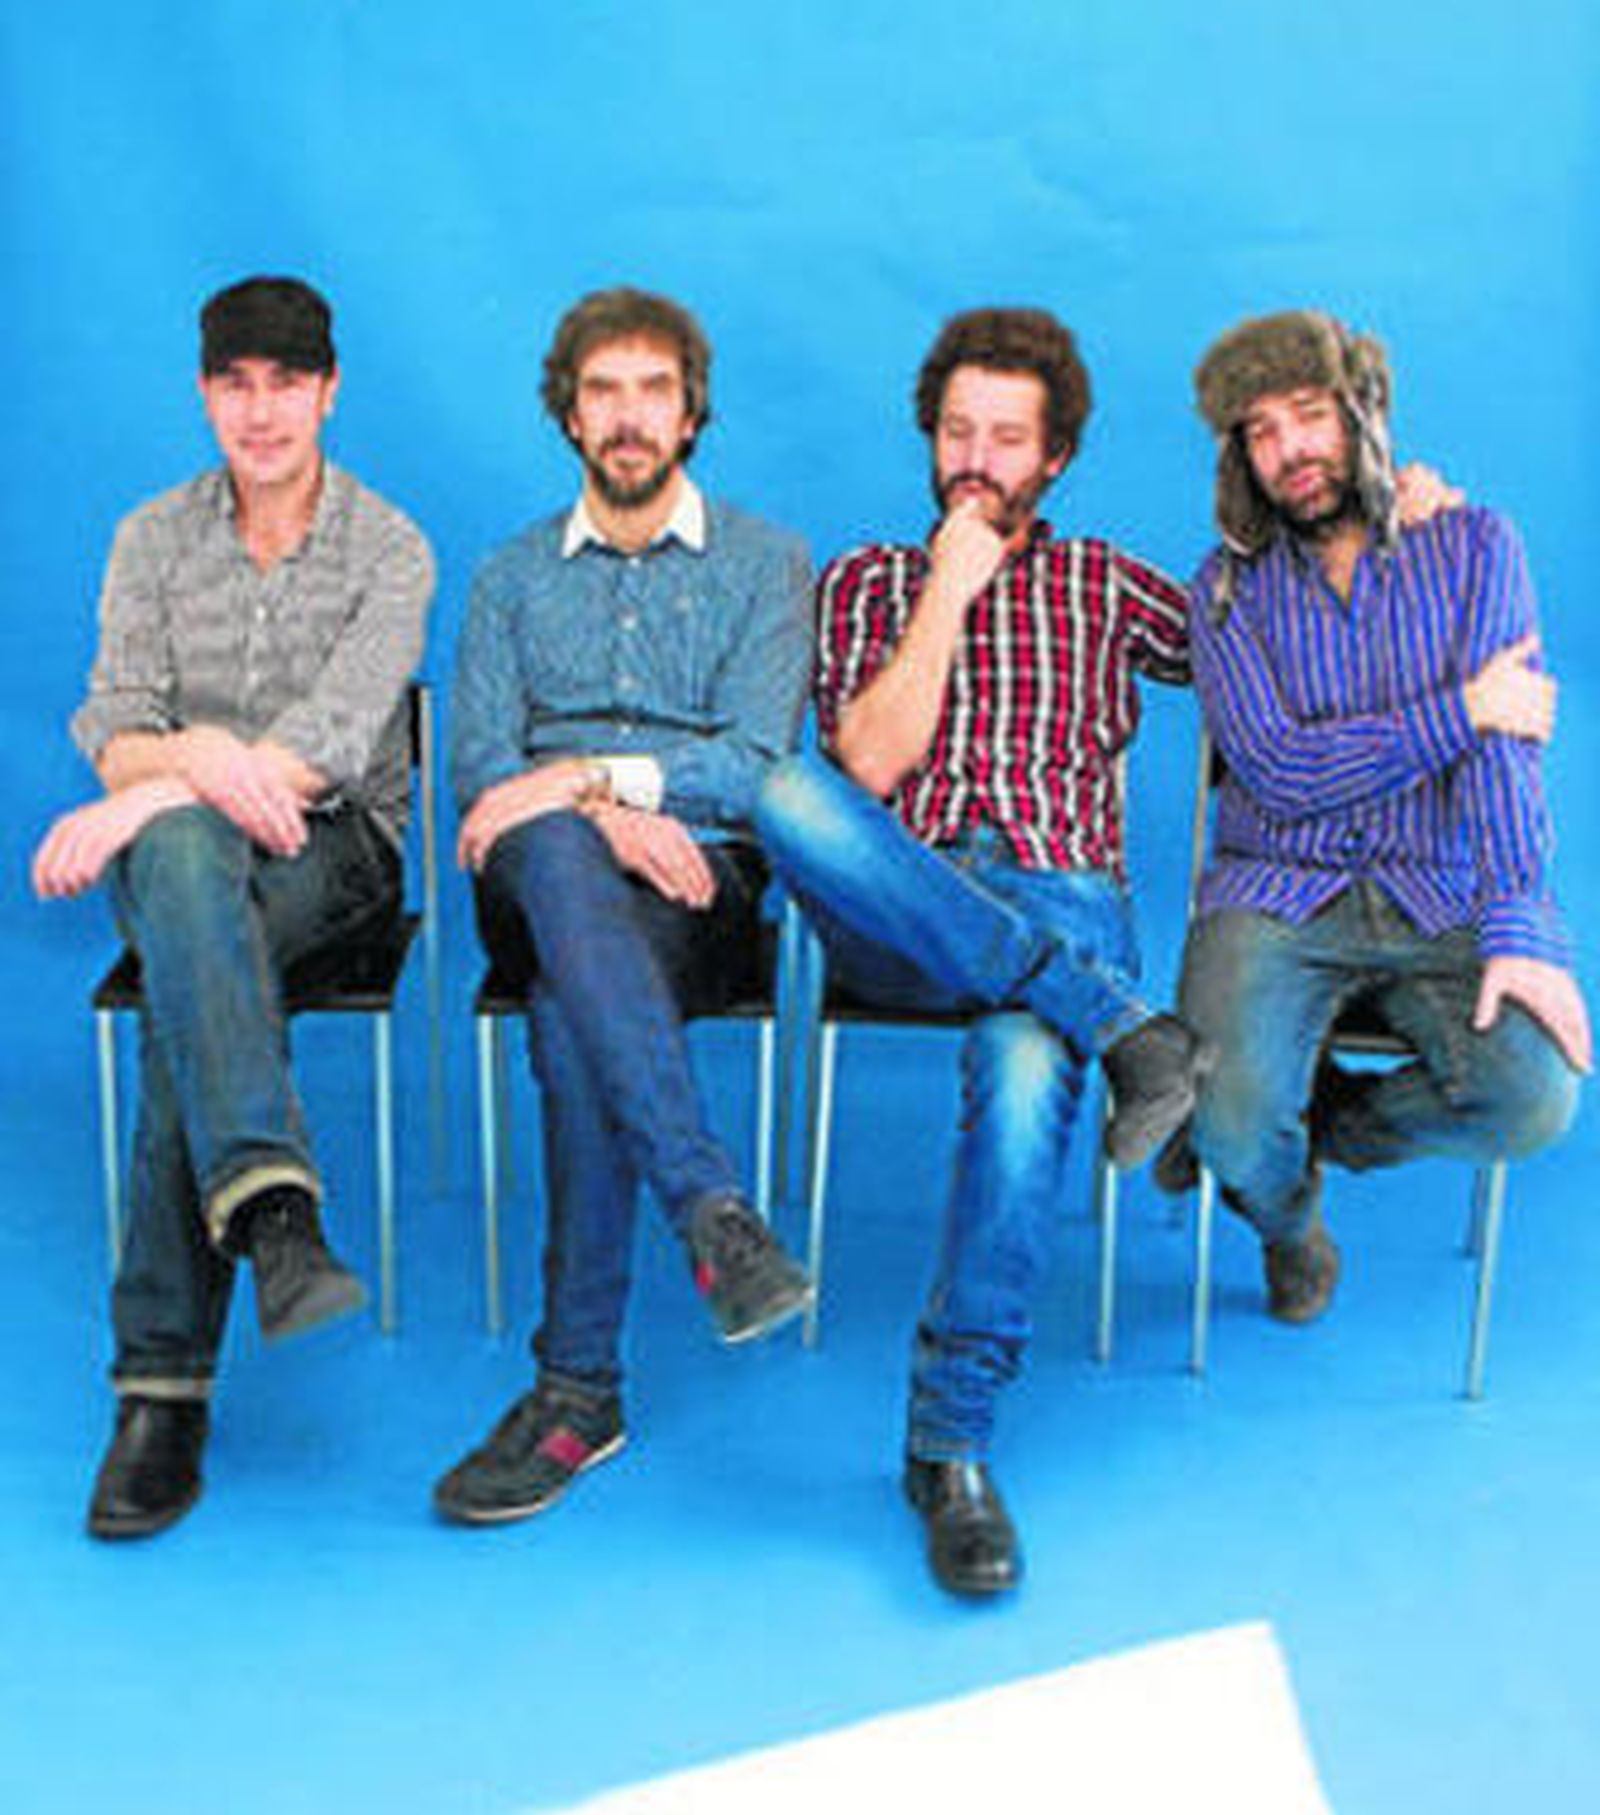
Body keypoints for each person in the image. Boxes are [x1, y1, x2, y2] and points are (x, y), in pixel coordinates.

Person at [753, 307, 1206, 1598]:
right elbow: (869, 767)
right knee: (789, 793)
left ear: (1053, 458)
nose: (975, 459)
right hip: (907, 903)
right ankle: (1116, 1023)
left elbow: (1274, 644)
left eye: (1007, 439)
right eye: (957, 431)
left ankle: (947, 1445)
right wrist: (949, 586)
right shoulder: (864, 581)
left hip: (1063, 890)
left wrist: (1406, 533)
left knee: (1021, 1063)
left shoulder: (1107, 582)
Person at [32, 276, 435, 1539]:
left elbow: (327, 747)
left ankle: (161, 1393)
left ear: (329, 392)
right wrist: (180, 778)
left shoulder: (392, 548)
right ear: (205, 394)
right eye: (235, 384)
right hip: (186, 865)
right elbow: (112, 722)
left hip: (340, 850)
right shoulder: (150, 538)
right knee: (192, 896)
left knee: (183, 943)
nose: (261, 412)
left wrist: (170, 777)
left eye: (286, 383)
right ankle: (272, 1208)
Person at [434, 286, 815, 1527]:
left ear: (692, 414)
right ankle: (710, 1207)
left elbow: (753, 767)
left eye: (655, 391)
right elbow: (483, 772)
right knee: (551, 847)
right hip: (535, 878)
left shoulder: (767, 563)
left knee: (570, 1013)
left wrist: (585, 776)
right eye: (604, 391)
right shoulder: (508, 578)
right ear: (569, 415)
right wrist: (595, 813)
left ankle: (577, 1391)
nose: (630, 416)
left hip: (699, 891)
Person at [1177, 310, 1589, 1326]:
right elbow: (1277, 771)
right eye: (1261, 431)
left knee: (1535, 1097)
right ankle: (1287, 1224)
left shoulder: (1475, 546)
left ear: (1361, 412)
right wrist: (1458, 710)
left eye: (1308, 414)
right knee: (1232, 1127)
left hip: (1434, 890)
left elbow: (1505, 752)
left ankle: (1326, 1125)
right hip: (1275, 891)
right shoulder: (1223, 591)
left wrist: (1521, 925)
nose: (1291, 450)